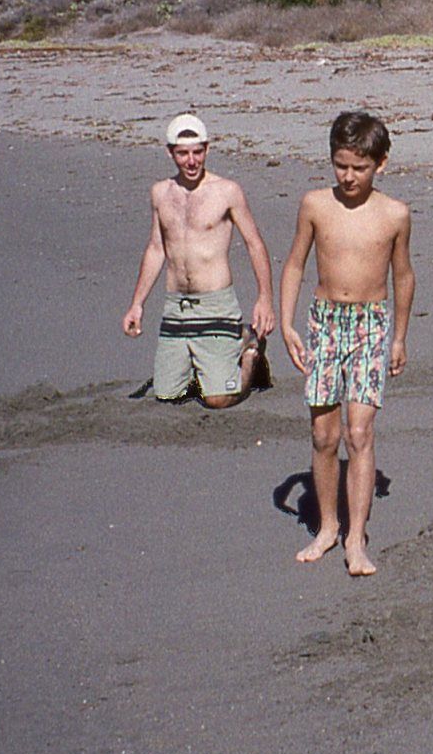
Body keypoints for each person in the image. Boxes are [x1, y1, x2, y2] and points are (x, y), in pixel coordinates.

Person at [279, 111, 415, 577]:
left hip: (370, 323)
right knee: (324, 434)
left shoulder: (395, 214)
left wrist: (399, 337)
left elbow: (403, 276)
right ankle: (327, 527)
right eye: (341, 166)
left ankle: (356, 537)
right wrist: (287, 324)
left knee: (359, 433)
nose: (349, 176)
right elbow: (295, 263)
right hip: (325, 321)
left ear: (381, 163)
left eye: (360, 167)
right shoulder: (315, 205)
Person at [122, 113, 275, 407]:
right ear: (170, 153)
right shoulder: (160, 193)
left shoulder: (227, 191)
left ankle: (250, 349)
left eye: (197, 152)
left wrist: (265, 299)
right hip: (176, 307)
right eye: (183, 153)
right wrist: (137, 304)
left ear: (207, 149)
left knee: (218, 399)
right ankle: (215, 355)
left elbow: (254, 243)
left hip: (216, 304)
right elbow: (156, 248)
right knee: (167, 395)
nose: (191, 161)